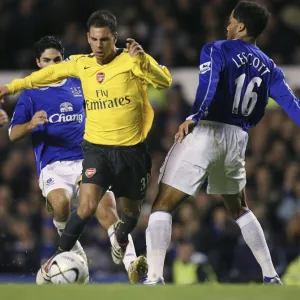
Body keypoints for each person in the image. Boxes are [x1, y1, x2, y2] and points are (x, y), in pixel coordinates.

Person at [0, 10, 172, 281]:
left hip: (111, 152)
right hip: (70, 158)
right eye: (46, 60)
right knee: (68, 205)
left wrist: (143, 64)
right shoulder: (40, 89)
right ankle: (65, 257)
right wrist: (16, 99)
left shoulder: (85, 78)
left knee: (118, 213)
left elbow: (162, 82)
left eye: (57, 59)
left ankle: (126, 256)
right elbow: (13, 130)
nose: (98, 45)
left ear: (114, 37)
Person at [144, 1, 300, 285]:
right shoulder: (269, 66)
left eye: (231, 21)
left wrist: (195, 115)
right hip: (238, 138)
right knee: (239, 209)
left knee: (162, 206)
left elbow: (209, 85)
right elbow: (292, 105)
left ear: (241, 26)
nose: (226, 25)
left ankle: (154, 279)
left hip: (207, 130)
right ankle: (270, 274)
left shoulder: (217, 48)